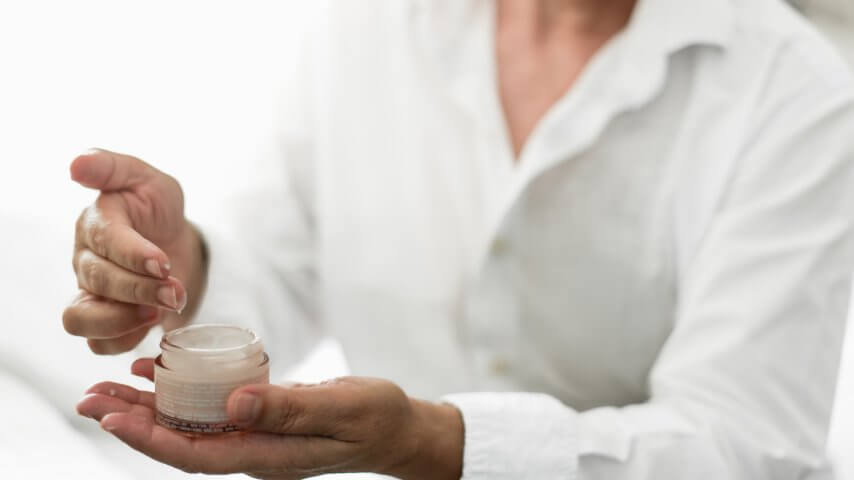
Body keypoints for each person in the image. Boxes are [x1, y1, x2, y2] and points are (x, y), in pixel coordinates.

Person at [66, 0, 854, 478]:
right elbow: (279, 264)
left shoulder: (798, 95)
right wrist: (174, 266)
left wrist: (437, 444)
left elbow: (740, 447)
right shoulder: (371, 25)